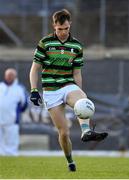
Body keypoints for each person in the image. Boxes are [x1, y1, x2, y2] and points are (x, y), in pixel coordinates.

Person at [30, 9, 108, 171]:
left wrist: (80, 95)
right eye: (60, 29)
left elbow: (77, 73)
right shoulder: (45, 43)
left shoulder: (77, 45)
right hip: (51, 91)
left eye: (66, 28)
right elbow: (34, 69)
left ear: (70, 24)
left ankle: (86, 131)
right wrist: (34, 90)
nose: (63, 32)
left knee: (82, 100)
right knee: (64, 133)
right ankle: (70, 161)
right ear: (54, 26)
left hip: (68, 85)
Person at [0, 68, 28, 156]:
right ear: (5, 76)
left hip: (12, 121)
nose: (9, 77)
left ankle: (11, 155)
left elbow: (24, 104)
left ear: (15, 77)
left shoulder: (19, 89)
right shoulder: (0, 86)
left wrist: (17, 114)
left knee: (11, 141)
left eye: (11, 75)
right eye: (8, 75)